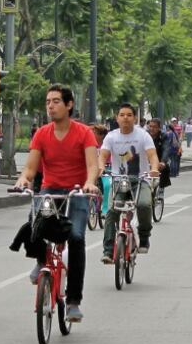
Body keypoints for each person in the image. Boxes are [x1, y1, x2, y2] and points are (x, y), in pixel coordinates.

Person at [14, 84, 100, 323]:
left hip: (77, 191)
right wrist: (24, 178)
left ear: (69, 104)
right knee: (35, 224)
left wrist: (90, 183)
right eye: (48, 102)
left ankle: (73, 301)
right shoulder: (42, 133)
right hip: (50, 190)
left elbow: (93, 165)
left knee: (76, 238)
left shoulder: (84, 133)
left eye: (56, 101)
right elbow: (31, 167)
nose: (50, 106)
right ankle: (41, 260)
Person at [99, 103, 161, 263]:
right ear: (117, 118)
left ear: (135, 118)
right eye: (122, 115)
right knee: (112, 212)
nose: (125, 118)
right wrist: (99, 168)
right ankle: (107, 250)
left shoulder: (143, 136)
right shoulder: (111, 137)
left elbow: (152, 155)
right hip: (119, 181)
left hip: (141, 180)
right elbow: (103, 155)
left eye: (129, 115)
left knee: (144, 205)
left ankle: (144, 236)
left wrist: (154, 169)